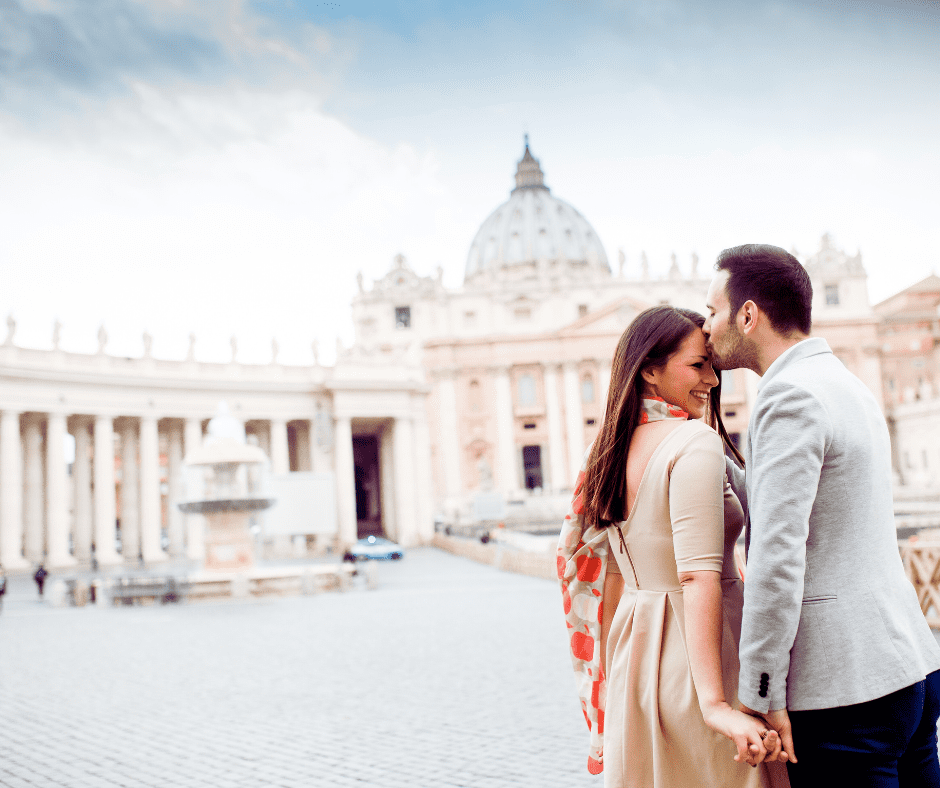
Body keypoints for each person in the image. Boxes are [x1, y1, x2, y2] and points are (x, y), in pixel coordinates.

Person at [703, 244, 940, 787]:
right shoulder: (843, 383)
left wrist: (761, 691)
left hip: (845, 690)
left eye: (713, 310)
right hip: (908, 666)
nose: (706, 325)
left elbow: (776, 555)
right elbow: (812, 505)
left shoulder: (788, 396)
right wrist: (711, 453)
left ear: (748, 315)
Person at [558, 305, 789, 787]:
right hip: (707, 653)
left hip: (634, 654)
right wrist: (716, 703)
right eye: (698, 365)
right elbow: (697, 575)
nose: (712, 379)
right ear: (649, 369)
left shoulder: (605, 451)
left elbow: (610, 575)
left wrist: (622, 673)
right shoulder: (694, 441)